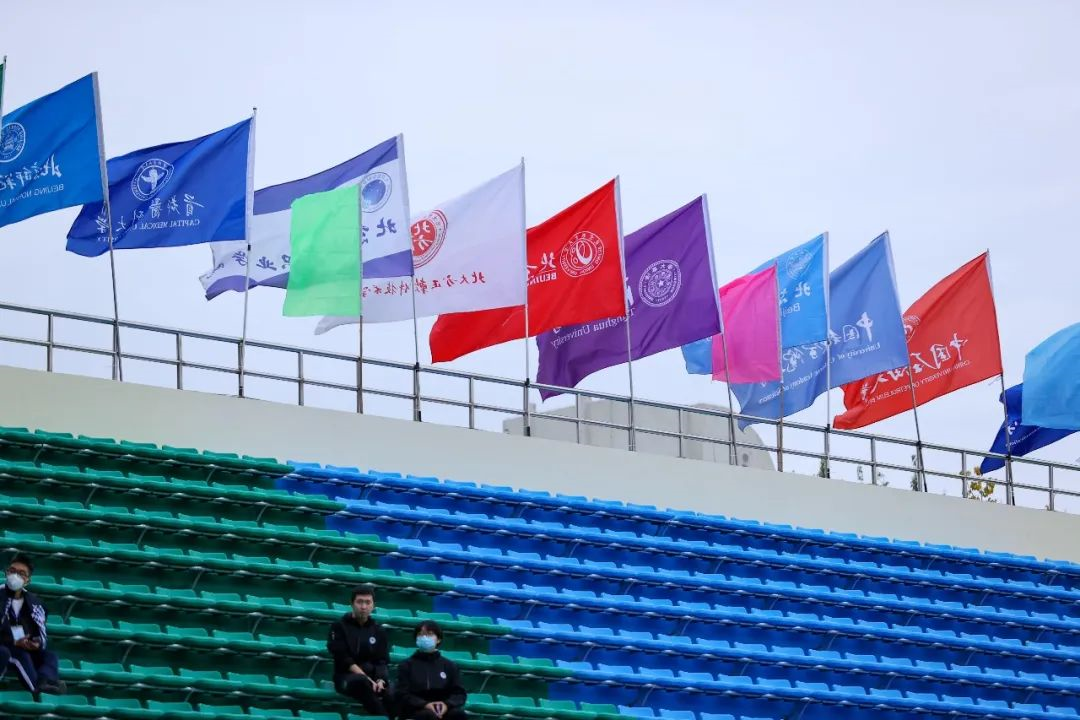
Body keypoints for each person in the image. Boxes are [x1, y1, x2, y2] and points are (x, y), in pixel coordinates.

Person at [0, 555, 65, 695]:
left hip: (21, 645)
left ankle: (45, 681)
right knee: (16, 654)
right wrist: (13, 641)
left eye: (21, 573)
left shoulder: (35, 603)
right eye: (12, 571)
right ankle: (37, 689)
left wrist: (36, 643)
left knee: (49, 656)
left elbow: (40, 631)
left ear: (27, 580)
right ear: (6, 573)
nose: (15, 576)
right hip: (4, 646)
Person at [327, 584, 393, 718]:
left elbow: (381, 661)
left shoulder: (378, 630)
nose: (363, 607)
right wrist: (367, 678)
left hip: (372, 678)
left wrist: (380, 680)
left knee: (394, 692)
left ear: (373, 605)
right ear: (352, 603)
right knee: (361, 682)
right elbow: (343, 658)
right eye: (359, 602)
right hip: (345, 678)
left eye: (368, 602)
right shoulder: (339, 626)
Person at [395, 620, 467, 720]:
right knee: (428, 715)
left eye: (429, 634)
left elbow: (459, 693)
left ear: (438, 639)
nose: (424, 637)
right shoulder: (406, 665)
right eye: (420, 634)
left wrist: (446, 704)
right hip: (416, 709)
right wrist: (424, 704)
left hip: (443, 708)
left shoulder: (450, 666)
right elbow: (402, 694)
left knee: (458, 714)